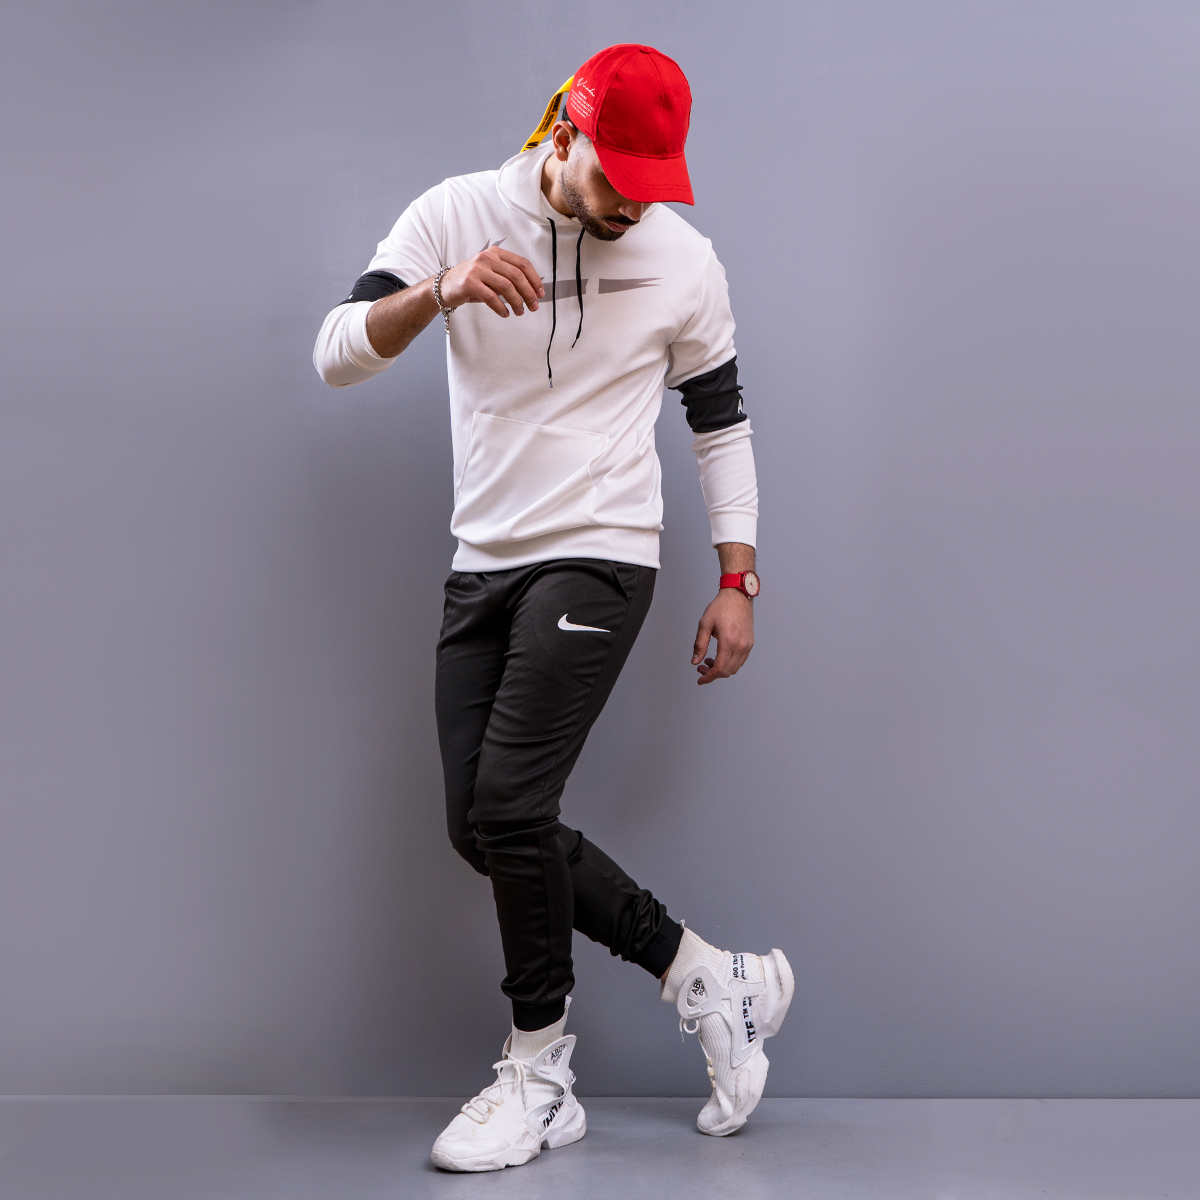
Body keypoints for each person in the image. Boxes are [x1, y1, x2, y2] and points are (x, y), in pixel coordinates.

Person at [314, 43, 792, 1173]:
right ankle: (707, 976)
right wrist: (440, 293)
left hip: (603, 552)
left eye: (655, 184)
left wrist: (738, 577)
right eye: (617, 178)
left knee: (511, 800)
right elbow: (336, 355)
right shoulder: (454, 214)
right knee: (478, 825)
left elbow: (719, 422)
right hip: (483, 559)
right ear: (564, 135)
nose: (634, 204)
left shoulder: (684, 260)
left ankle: (538, 1069)